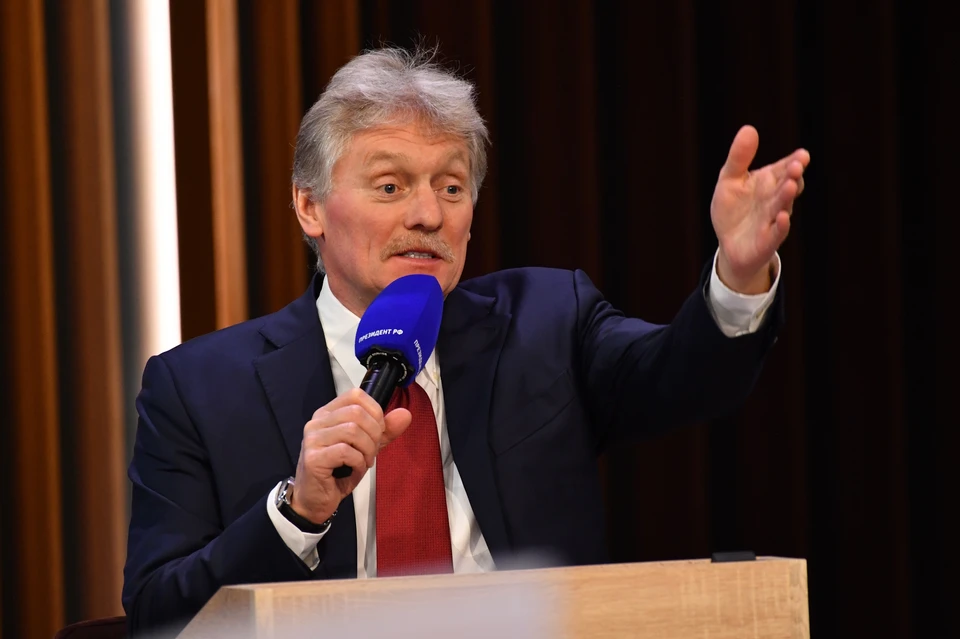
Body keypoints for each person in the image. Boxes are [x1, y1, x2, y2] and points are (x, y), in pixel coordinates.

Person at [122, 46, 809, 634]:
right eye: (390, 185)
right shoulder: (197, 388)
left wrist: (738, 275)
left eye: (451, 187)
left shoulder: (546, 322)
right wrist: (296, 511)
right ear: (310, 206)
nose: (428, 214)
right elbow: (158, 615)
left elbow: (685, 376)